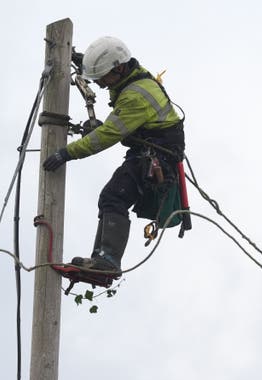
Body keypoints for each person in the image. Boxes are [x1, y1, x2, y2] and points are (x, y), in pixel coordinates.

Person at [43, 36, 185, 273]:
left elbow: (108, 135)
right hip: (147, 151)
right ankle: (101, 259)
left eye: (102, 78)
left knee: (114, 196)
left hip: (155, 156)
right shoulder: (131, 75)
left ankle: (106, 261)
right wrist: (82, 62)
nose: (99, 84)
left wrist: (67, 153)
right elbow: (114, 107)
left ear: (119, 68)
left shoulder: (136, 95)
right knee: (111, 197)